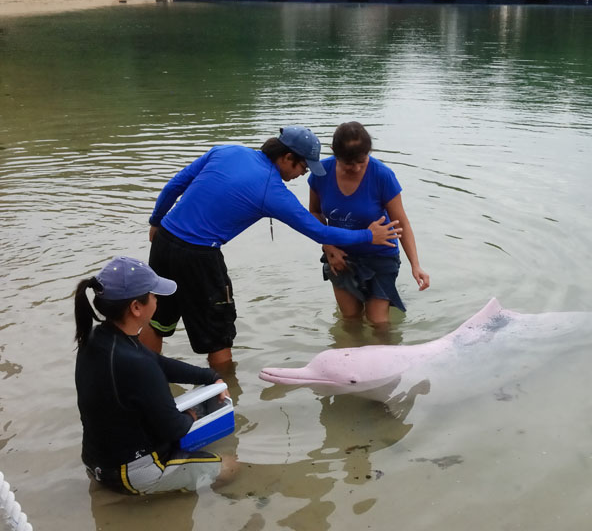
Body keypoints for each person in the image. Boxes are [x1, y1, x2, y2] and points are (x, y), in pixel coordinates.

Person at [140, 125, 402, 367]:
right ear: (287, 158)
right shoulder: (272, 191)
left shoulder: (226, 150)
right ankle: (227, 399)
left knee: (158, 318)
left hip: (164, 241)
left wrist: (156, 221)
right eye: (302, 168)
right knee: (218, 335)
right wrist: (369, 236)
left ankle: (145, 376)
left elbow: (175, 184)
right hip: (199, 257)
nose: (301, 175)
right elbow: (318, 230)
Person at [74, 256, 236, 495]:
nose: (157, 299)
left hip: (98, 462)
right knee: (231, 466)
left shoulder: (98, 337)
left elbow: (158, 362)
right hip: (133, 473)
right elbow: (174, 428)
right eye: (152, 294)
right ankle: (139, 494)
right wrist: (191, 416)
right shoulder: (136, 364)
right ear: (136, 307)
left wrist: (210, 376)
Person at [308, 121, 429, 325]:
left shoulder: (382, 175)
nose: (355, 168)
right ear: (334, 153)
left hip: (380, 255)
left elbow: (402, 224)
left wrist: (415, 265)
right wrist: (328, 247)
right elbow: (314, 212)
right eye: (348, 163)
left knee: (379, 322)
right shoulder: (322, 173)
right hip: (340, 256)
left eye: (361, 162)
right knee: (350, 320)